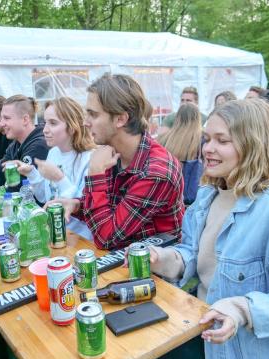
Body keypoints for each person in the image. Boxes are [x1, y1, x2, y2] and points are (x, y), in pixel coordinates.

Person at [147, 98, 269, 359]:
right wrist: (164, 258)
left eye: (222, 141)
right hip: (204, 337)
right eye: (207, 138)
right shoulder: (206, 197)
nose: (208, 149)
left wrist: (243, 310)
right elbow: (194, 253)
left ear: (251, 146)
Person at [47, 73, 185, 250]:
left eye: (93, 115)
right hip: (122, 260)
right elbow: (109, 212)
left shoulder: (156, 172)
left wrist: (95, 174)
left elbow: (106, 237)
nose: (85, 122)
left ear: (120, 119)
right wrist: (77, 205)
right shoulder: (112, 152)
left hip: (154, 270)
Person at [13, 97, 95, 239]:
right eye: (45, 123)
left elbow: (82, 207)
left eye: (53, 123)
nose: (45, 130)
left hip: (80, 238)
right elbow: (46, 197)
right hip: (54, 233)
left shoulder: (89, 158)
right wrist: (32, 173)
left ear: (72, 126)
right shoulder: (54, 153)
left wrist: (59, 178)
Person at [0, 95, 49, 192]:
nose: (1, 123)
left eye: (6, 118)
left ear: (25, 120)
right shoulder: (15, 144)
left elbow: (19, 190)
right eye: (1, 118)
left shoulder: (39, 146)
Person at [157, 104, 203, 205]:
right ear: (198, 119)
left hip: (165, 196)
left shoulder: (162, 139)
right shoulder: (201, 141)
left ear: (177, 118)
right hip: (191, 200)